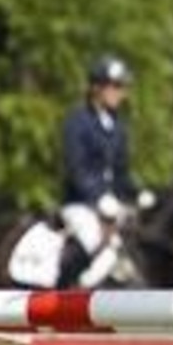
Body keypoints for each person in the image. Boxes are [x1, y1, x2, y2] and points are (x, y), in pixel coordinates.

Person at [58, 54, 152, 287]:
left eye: (123, 87)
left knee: (139, 240)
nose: (121, 93)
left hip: (111, 204)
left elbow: (120, 173)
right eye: (116, 86)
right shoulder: (77, 121)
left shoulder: (118, 128)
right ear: (96, 88)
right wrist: (99, 197)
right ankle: (73, 291)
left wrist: (138, 193)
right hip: (81, 204)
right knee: (93, 240)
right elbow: (76, 169)